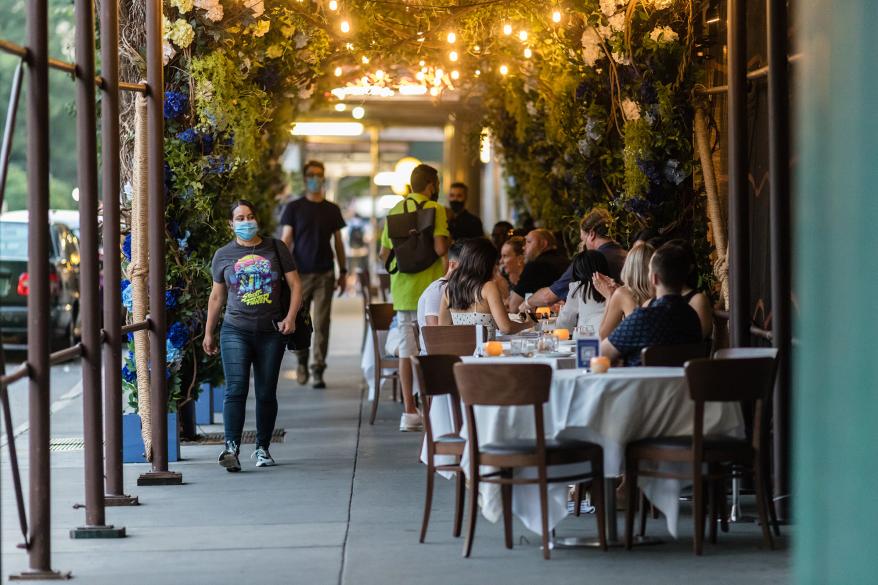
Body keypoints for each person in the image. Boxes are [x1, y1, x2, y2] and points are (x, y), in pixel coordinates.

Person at [204, 200, 302, 472]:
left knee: (265, 392)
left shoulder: (276, 248)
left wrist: (290, 317)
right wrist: (209, 332)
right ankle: (231, 448)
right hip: (235, 330)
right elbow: (217, 296)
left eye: (250, 216)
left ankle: (262, 447)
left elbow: (295, 285)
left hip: (272, 331)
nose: (246, 222)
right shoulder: (223, 255)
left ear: (256, 219)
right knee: (235, 389)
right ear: (230, 224)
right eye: (239, 218)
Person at [379, 164, 449, 432]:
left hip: (403, 290)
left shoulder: (394, 210)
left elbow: (383, 255)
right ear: (431, 185)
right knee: (434, 346)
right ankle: (433, 409)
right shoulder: (436, 209)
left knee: (407, 352)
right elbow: (441, 247)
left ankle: (409, 411)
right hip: (431, 289)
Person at [280, 160, 347, 389]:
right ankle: (301, 361)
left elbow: (338, 243)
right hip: (299, 276)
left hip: (325, 274)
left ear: (323, 177)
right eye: (311, 174)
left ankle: (318, 369)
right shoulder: (294, 208)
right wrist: (279, 268)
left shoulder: (332, 209)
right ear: (305, 177)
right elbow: (286, 240)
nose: (315, 178)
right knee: (299, 321)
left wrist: (343, 271)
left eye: (319, 174)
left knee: (322, 323)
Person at [600, 243, 702, 366]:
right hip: (681, 384)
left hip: (641, 384)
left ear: (654, 278)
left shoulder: (643, 318)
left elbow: (602, 353)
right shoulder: (692, 318)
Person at [519, 209, 627, 312]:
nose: (582, 244)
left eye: (582, 239)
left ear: (592, 234)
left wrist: (528, 303)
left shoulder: (589, 261)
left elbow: (548, 296)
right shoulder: (627, 255)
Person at [438, 238, 532, 338]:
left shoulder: (450, 289)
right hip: (487, 351)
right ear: (487, 263)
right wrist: (528, 324)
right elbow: (506, 328)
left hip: (461, 353)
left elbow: (442, 330)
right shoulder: (488, 287)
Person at [596, 241, 655, 339]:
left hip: (635, 352)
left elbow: (604, 336)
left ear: (628, 267)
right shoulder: (662, 291)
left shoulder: (623, 294)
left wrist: (609, 297)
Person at [416, 240, 463, 350]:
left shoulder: (456, 289)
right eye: (467, 266)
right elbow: (435, 337)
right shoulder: (438, 290)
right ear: (452, 265)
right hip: (435, 358)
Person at [507, 228, 569, 311]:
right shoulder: (567, 262)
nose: (524, 247)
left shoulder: (535, 266)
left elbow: (514, 306)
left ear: (543, 244)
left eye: (529, 242)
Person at [663, 239, 714, 339]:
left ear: (690, 268)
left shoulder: (698, 299)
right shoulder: (656, 299)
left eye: (674, 263)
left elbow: (699, 338)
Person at [556, 250, 611, 333]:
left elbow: (565, 324)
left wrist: (562, 309)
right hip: (612, 336)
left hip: (587, 338)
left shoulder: (578, 288)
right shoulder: (615, 286)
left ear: (578, 270)